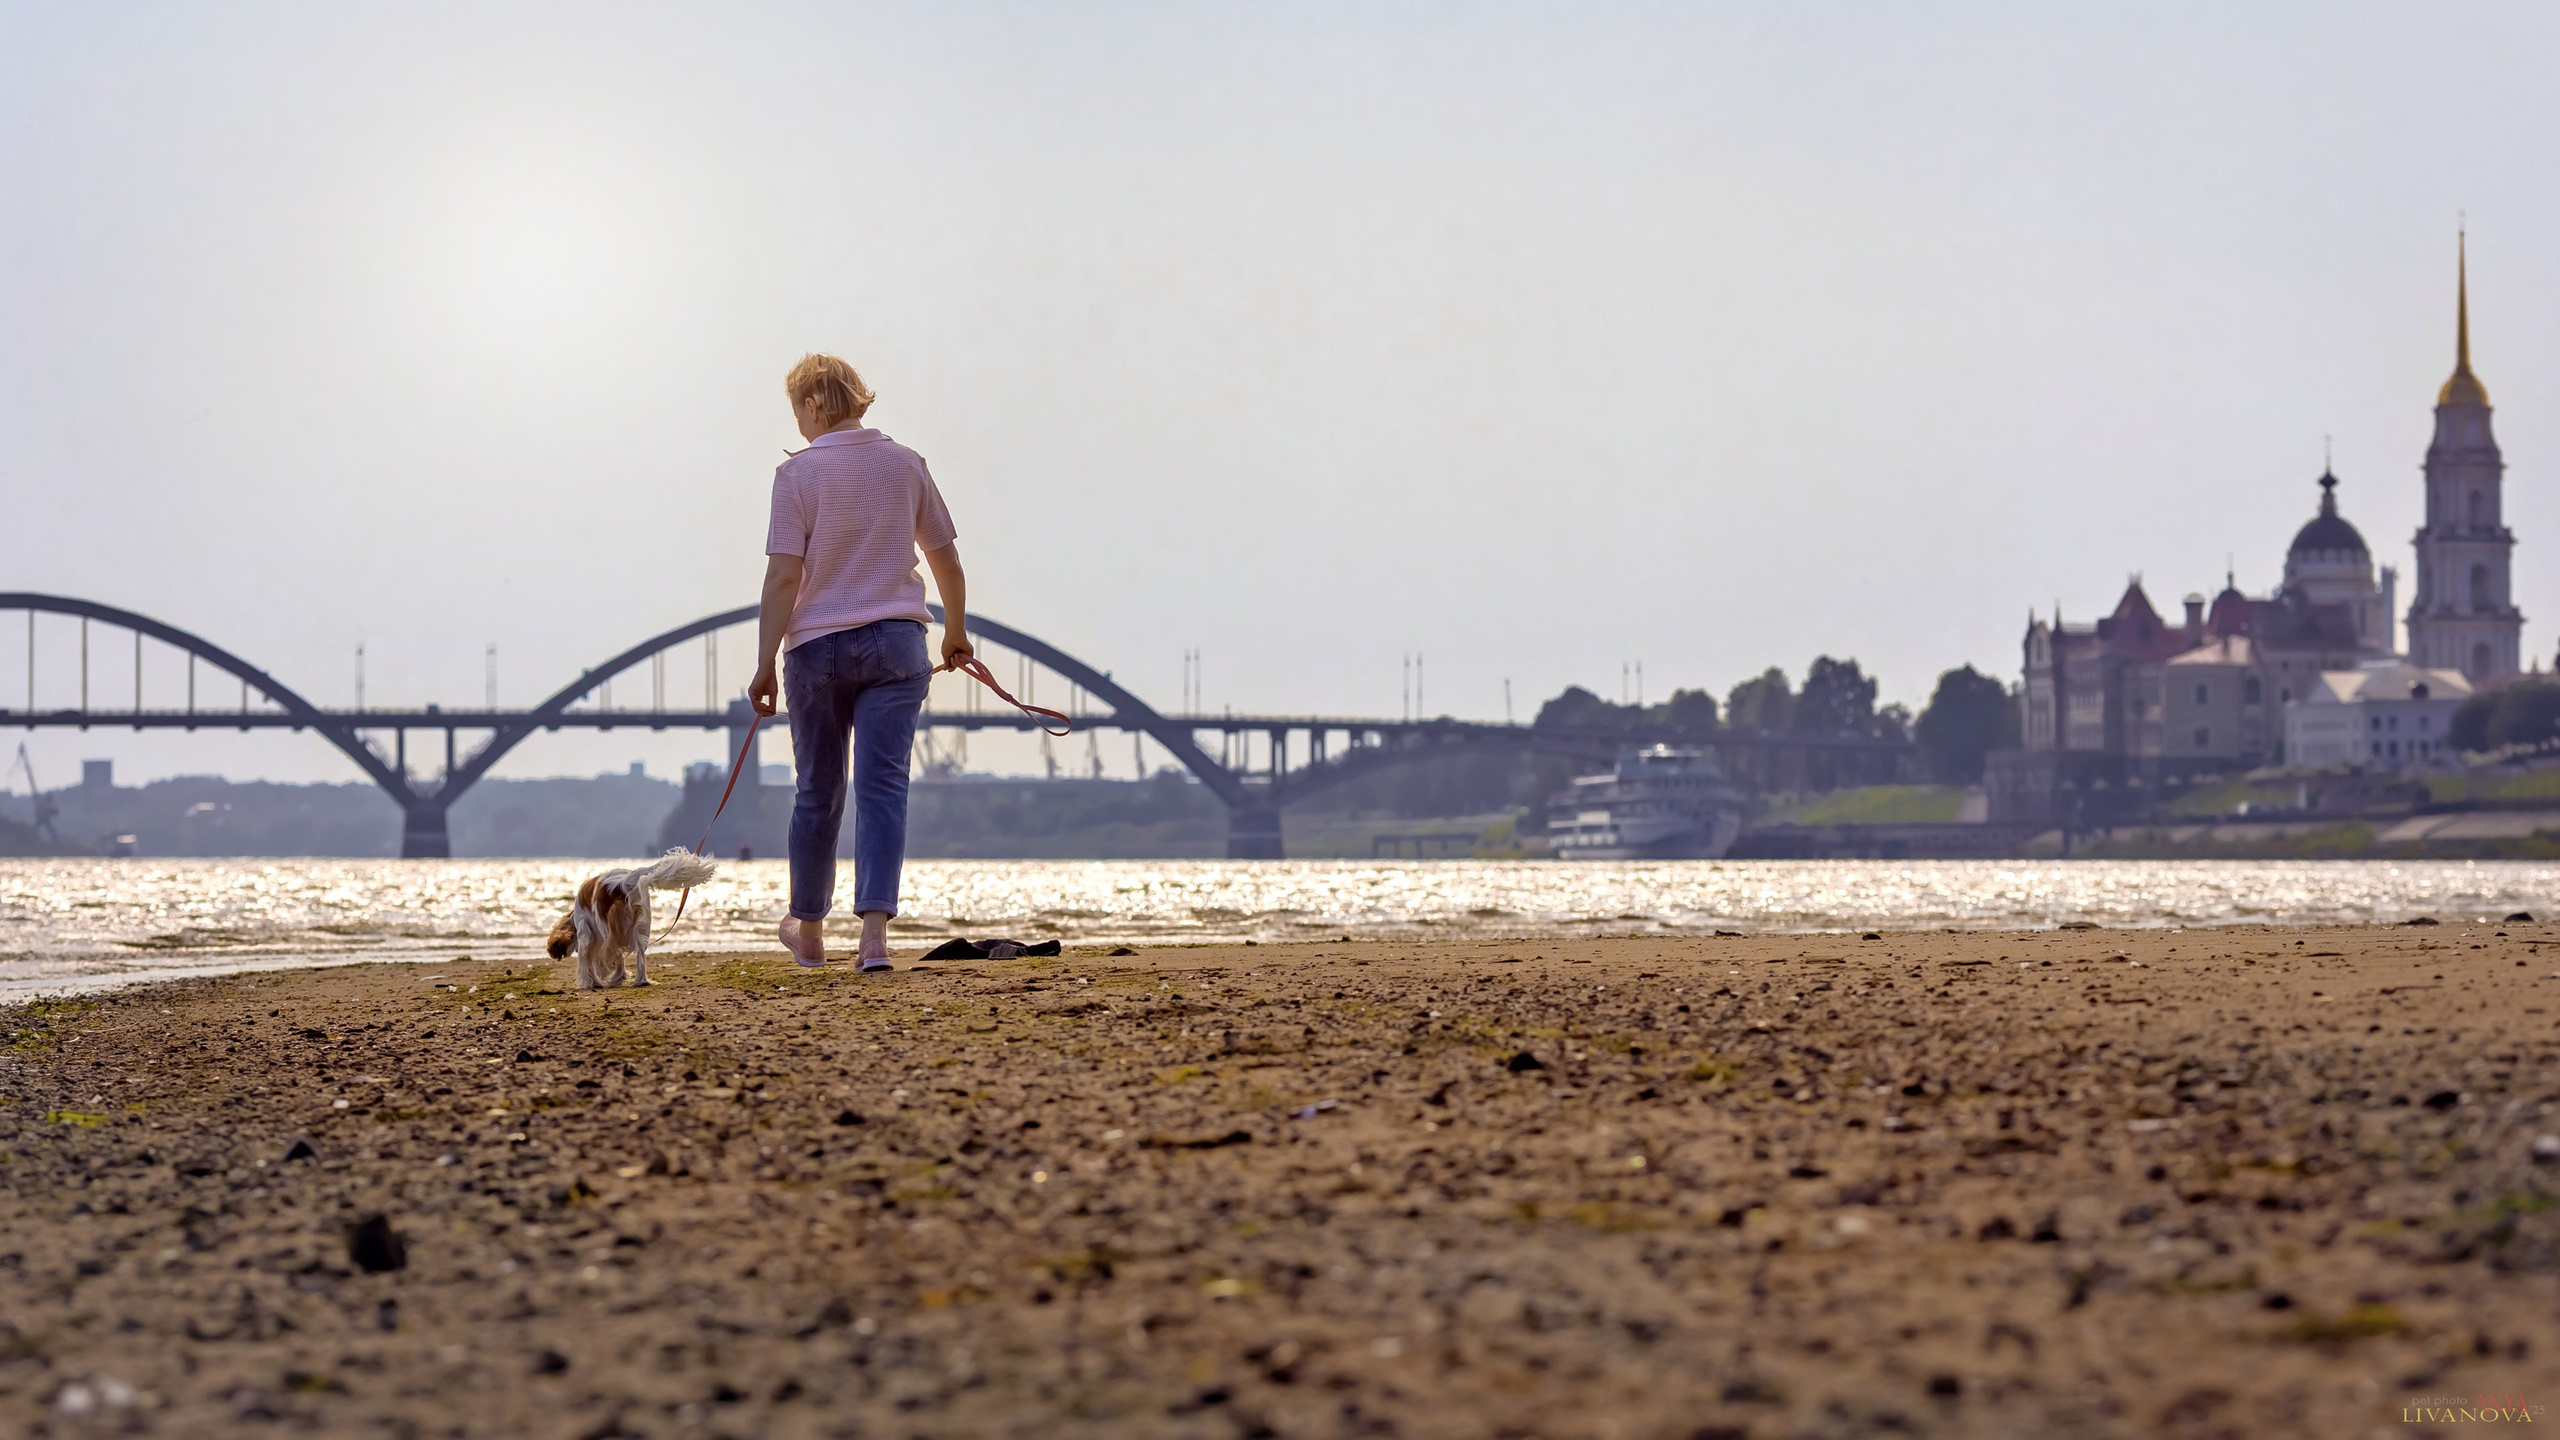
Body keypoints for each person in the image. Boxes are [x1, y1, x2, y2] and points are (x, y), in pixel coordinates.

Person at [747, 354, 970, 971]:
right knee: (883, 787)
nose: (796, 421)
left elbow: (783, 575)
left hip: (816, 648)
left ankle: (811, 934)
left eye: (797, 407)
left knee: (818, 791)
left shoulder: (796, 477)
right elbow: (945, 560)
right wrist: (955, 631)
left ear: (814, 404)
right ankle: (874, 938)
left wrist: (765, 662)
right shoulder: (907, 465)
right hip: (897, 643)